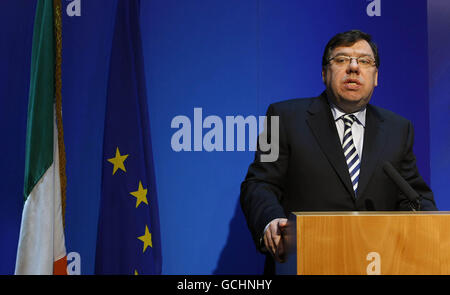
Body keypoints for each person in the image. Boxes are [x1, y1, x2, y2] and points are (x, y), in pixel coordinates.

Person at [240, 30, 437, 274]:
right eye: (342, 59)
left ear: (376, 77)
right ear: (324, 73)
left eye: (364, 61)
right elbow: (260, 183)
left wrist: (428, 233)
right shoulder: (283, 117)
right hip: (306, 261)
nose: (354, 68)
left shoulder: (398, 129)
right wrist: (270, 222)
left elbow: (416, 197)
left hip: (378, 263)